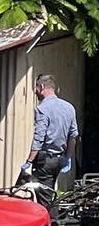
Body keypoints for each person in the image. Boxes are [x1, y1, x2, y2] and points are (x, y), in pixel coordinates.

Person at [23, 73, 80, 206]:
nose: (35, 92)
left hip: (45, 161)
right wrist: (68, 157)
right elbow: (73, 136)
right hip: (59, 159)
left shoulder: (42, 109)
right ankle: (53, 222)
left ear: (42, 87)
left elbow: (39, 138)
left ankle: (51, 224)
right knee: (49, 191)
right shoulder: (69, 107)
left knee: (44, 199)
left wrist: (29, 161)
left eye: (36, 88)